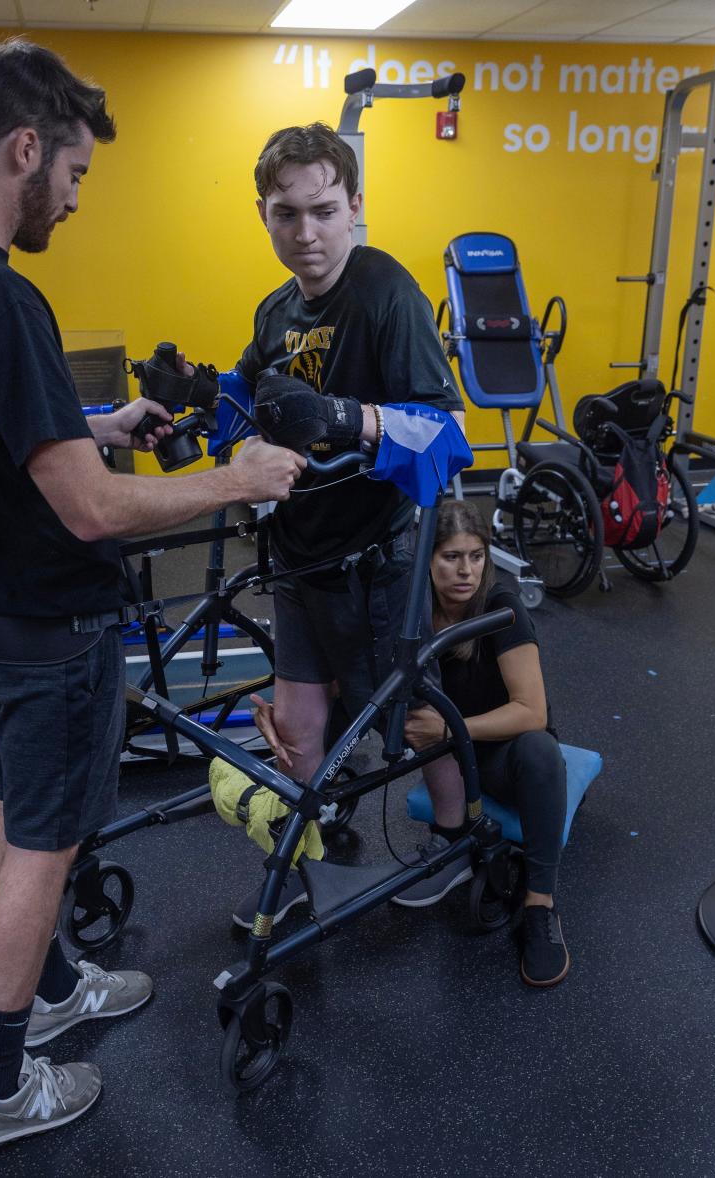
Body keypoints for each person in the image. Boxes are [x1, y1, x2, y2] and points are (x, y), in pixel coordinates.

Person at [0, 38, 305, 1153]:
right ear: (24, 147)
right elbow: (94, 514)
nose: (76, 196)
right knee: (45, 847)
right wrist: (236, 481)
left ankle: (53, 987)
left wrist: (86, 428)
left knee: (17, 816)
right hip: (51, 624)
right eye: (76, 174)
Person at [225, 122, 465, 929]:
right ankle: (314, 842)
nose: (306, 234)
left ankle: (455, 841)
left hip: (377, 558)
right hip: (298, 550)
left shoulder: (386, 295)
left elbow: (445, 435)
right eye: (285, 215)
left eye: (324, 211)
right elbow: (251, 391)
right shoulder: (276, 307)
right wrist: (196, 390)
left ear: (355, 206)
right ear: (263, 215)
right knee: (296, 723)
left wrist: (348, 417)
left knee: (413, 717)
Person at [398, 499, 570, 988]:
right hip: (450, 759)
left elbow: (531, 711)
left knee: (540, 749)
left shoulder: (501, 607)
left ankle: (540, 907)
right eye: (451, 557)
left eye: (476, 556)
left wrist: (450, 730)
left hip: (504, 756)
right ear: (427, 559)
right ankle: (450, 843)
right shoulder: (413, 610)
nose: (465, 570)